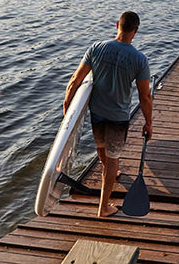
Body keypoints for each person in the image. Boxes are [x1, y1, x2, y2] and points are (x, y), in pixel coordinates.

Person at [63, 11, 153, 217]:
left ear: (117, 25)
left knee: (102, 149)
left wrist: (67, 106)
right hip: (117, 117)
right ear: (135, 31)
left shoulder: (96, 48)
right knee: (112, 159)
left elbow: (75, 80)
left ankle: (111, 171)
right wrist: (149, 122)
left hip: (96, 112)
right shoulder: (139, 59)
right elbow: (145, 96)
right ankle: (103, 207)